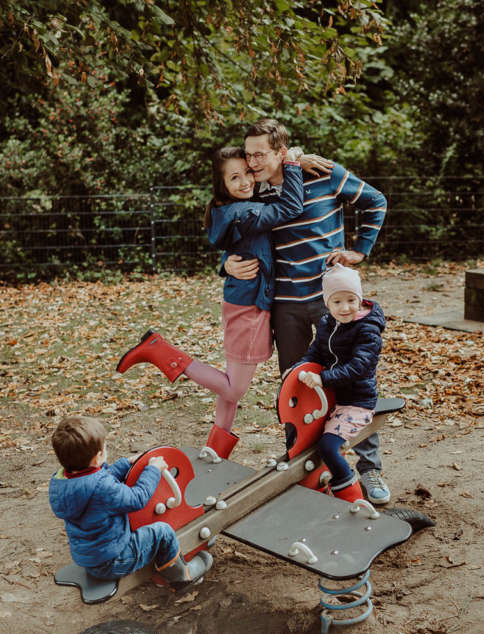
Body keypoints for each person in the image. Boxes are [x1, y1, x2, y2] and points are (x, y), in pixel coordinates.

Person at [225, 117, 392, 504]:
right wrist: (227, 264)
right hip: (286, 306)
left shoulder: (325, 173)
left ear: (282, 151)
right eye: (247, 155)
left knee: (352, 383)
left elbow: (376, 201)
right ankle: (303, 468)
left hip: (330, 303)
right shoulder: (254, 193)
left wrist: (360, 250)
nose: (251, 163)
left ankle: (370, 471)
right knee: (294, 387)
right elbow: (231, 233)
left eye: (259, 154)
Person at [116, 147, 305, 461]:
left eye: (247, 172)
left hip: (240, 301)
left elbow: (238, 242)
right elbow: (290, 208)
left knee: (229, 385)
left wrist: (226, 264)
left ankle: (215, 451)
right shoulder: (245, 211)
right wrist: (293, 164)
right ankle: (161, 351)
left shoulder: (233, 208)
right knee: (233, 389)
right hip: (248, 308)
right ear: (222, 185)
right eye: (235, 177)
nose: (245, 181)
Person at [48, 416, 212, 590]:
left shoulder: (64, 482)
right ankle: (180, 576)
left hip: (90, 559)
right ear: (97, 458)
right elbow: (137, 498)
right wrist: (153, 470)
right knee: (162, 531)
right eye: (104, 447)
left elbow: (99, 479)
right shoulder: (102, 488)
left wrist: (126, 464)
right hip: (114, 561)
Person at [296, 264, 385, 502]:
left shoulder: (368, 328)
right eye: (337, 302)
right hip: (332, 399)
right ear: (327, 303)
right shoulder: (327, 324)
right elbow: (315, 352)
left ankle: (351, 495)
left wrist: (323, 378)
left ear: (359, 298)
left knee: (328, 447)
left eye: (350, 300)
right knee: (308, 442)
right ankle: (322, 484)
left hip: (356, 401)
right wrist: (300, 369)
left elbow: (360, 366)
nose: (345, 308)